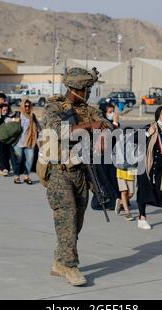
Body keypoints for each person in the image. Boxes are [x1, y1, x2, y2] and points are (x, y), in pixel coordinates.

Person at [42, 67, 108, 286]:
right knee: (67, 216)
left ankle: (60, 262)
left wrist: (103, 133)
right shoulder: (54, 107)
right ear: (77, 88)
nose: (89, 93)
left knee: (75, 223)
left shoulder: (89, 110)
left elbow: (105, 126)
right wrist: (91, 126)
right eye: (87, 88)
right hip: (60, 172)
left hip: (82, 172)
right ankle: (71, 267)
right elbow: (60, 131)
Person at [13, 100, 41, 184]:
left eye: (29, 106)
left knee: (29, 160)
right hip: (18, 142)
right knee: (19, 160)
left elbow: (38, 127)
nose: (27, 107)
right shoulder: (18, 114)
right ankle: (16, 176)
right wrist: (14, 120)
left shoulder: (32, 116)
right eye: (25, 106)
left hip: (29, 142)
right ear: (22, 106)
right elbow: (7, 120)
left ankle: (26, 176)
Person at [0, 103, 19, 177]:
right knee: (2, 154)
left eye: (6, 110)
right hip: (0, 139)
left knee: (8, 154)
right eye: (4, 110)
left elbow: (14, 120)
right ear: (0, 110)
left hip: (8, 139)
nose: (5, 111)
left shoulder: (9, 116)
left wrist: (14, 118)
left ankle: (5, 168)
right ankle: (4, 169)